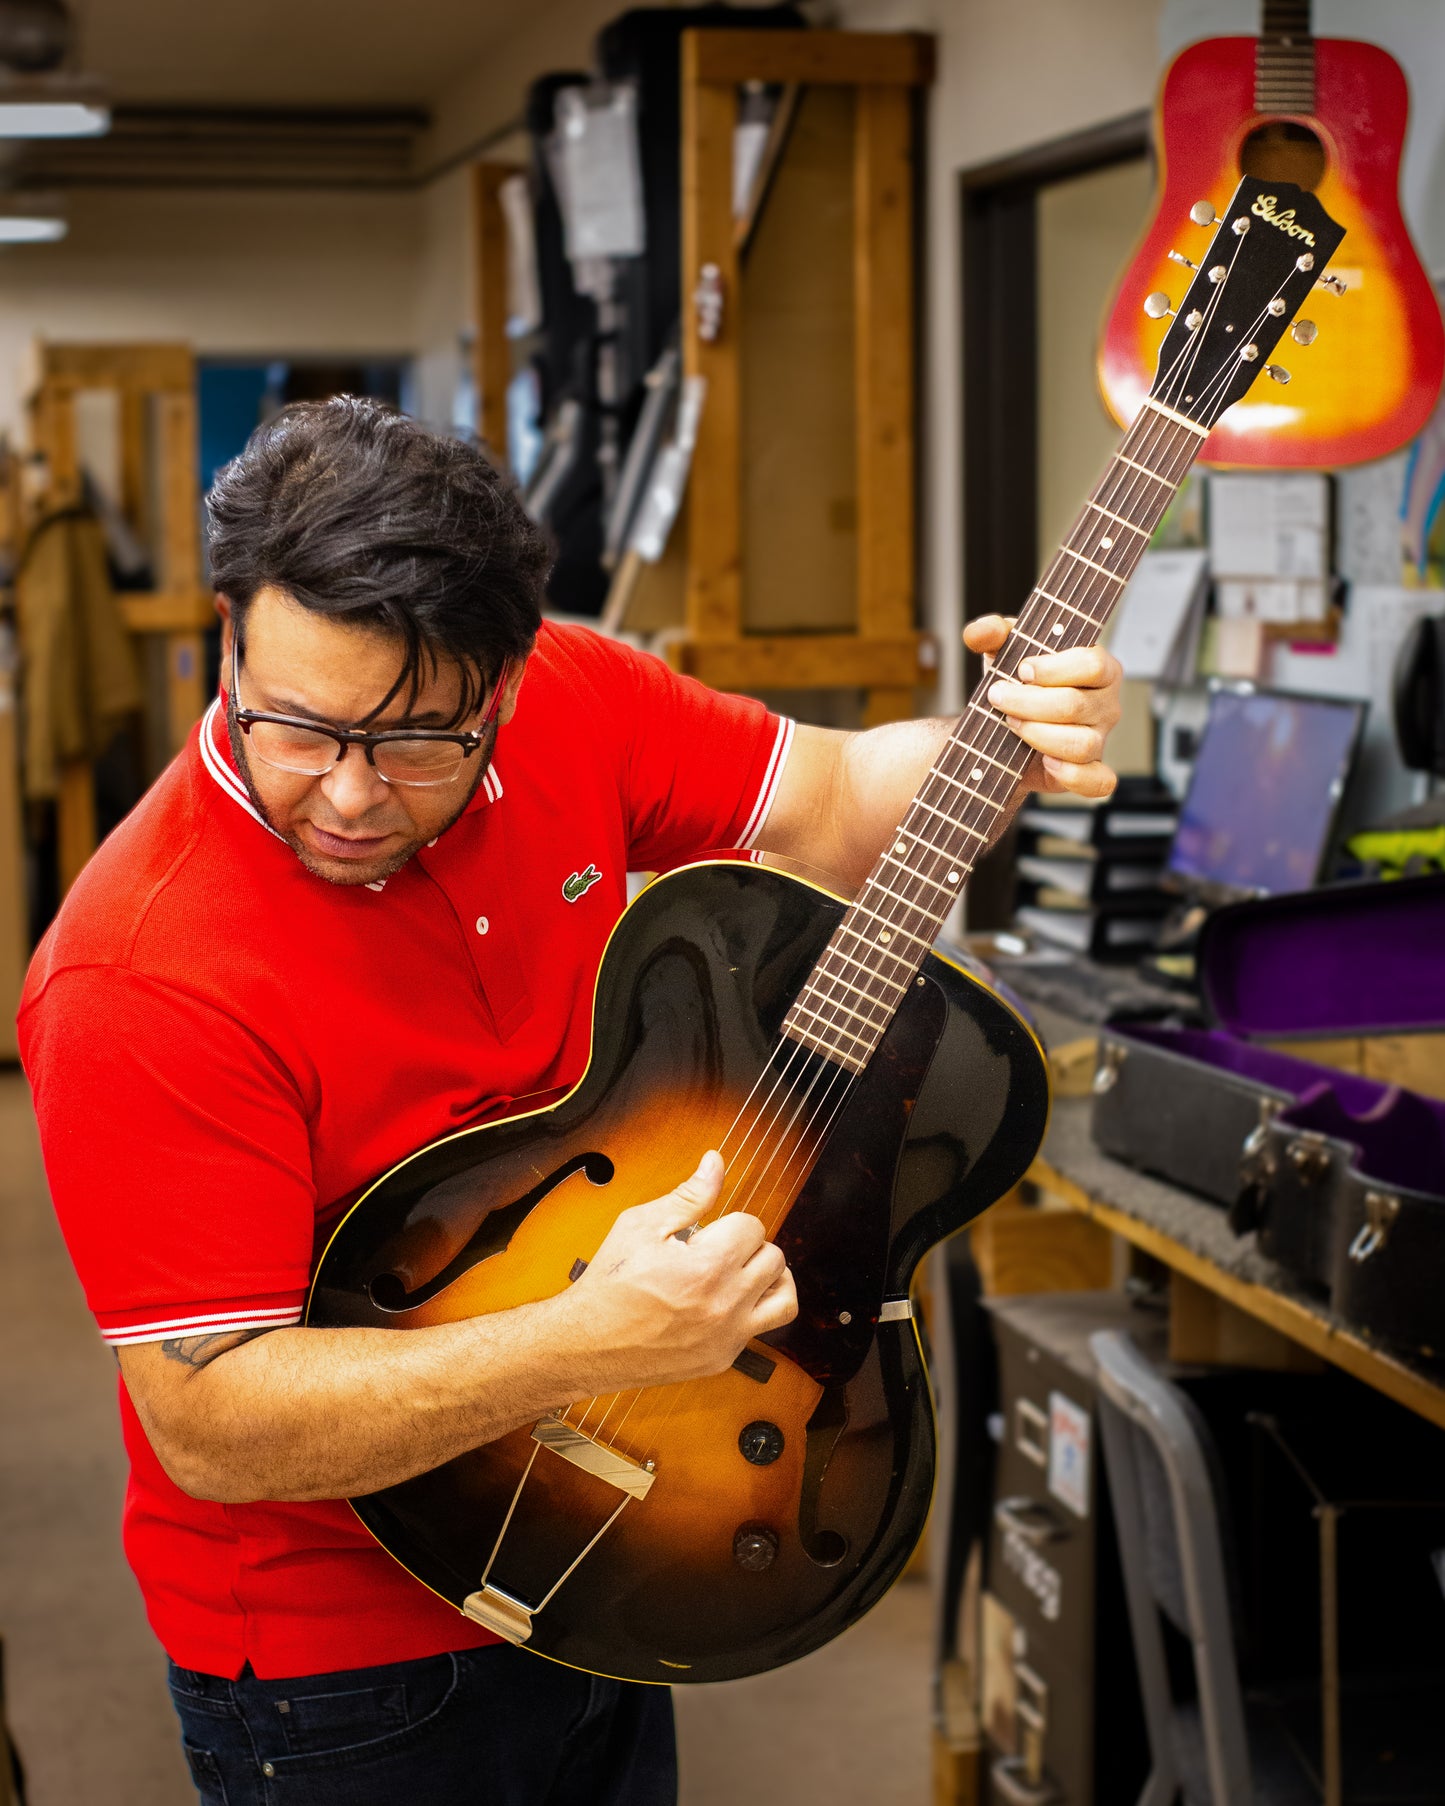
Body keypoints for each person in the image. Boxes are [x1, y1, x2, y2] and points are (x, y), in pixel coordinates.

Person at [20, 399, 1123, 1806]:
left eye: (421, 738)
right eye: (294, 723)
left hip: (632, 1543)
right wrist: (586, 1337)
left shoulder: (577, 703)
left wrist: (997, 737)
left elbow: (846, 796)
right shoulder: (140, 971)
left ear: (505, 681)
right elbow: (212, 1420)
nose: (349, 793)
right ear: (228, 633)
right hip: (337, 1663)